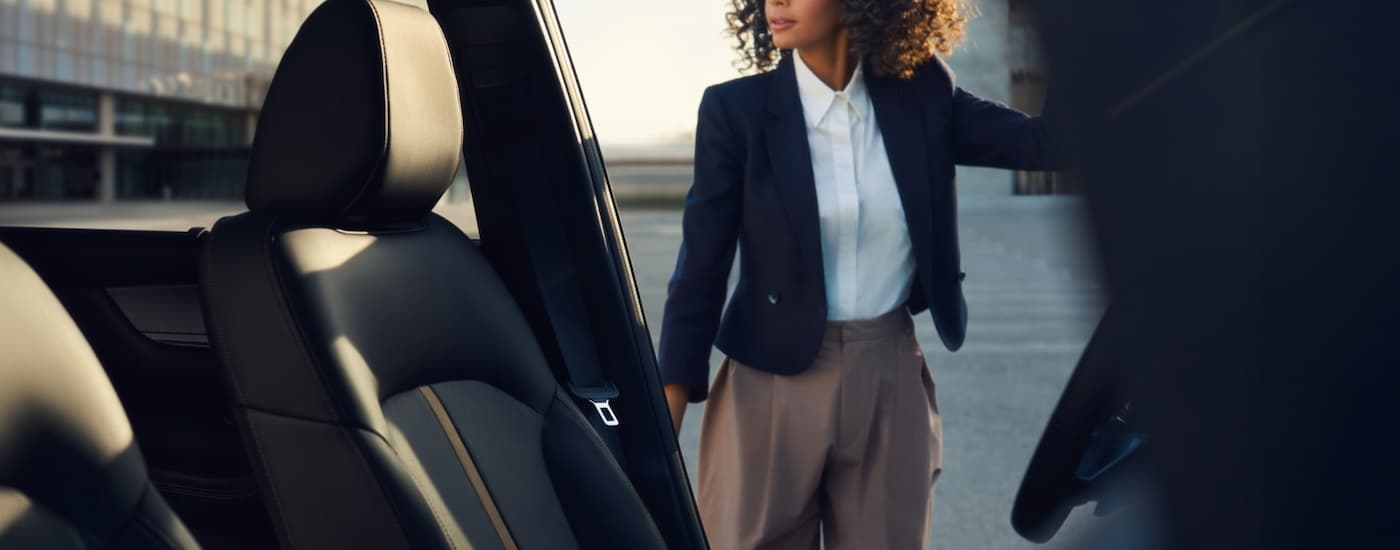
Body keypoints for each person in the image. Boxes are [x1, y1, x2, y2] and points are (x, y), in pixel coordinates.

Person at [657, 0, 1060, 548]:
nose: (776, 1)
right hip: (767, 386)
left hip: (888, 377)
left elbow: (1047, 143)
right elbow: (700, 272)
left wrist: (1077, 30)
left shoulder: (924, 95)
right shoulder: (737, 111)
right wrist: (660, 434)